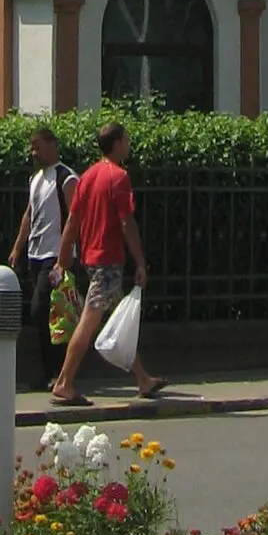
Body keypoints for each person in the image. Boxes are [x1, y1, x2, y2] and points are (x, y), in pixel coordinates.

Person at [50, 119, 167, 404]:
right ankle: (64, 382)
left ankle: (143, 379)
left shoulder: (88, 177)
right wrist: (140, 261)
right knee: (89, 322)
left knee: (119, 321)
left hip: (92, 259)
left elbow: (72, 221)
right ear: (116, 144)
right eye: (126, 139)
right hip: (107, 261)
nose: (128, 144)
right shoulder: (118, 177)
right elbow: (127, 223)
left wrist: (63, 260)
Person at [7, 125, 77, 391]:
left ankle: (58, 370)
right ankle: (48, 372)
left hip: (56, 255)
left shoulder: (66, 178)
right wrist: (18, 248)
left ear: (52, 144)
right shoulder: (36, 179)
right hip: (36, 255)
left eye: (37, 146)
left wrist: (66, 255)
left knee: (43, 311)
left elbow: (75, 216)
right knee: (43, 316)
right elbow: (29, 215)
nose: (33, 152)